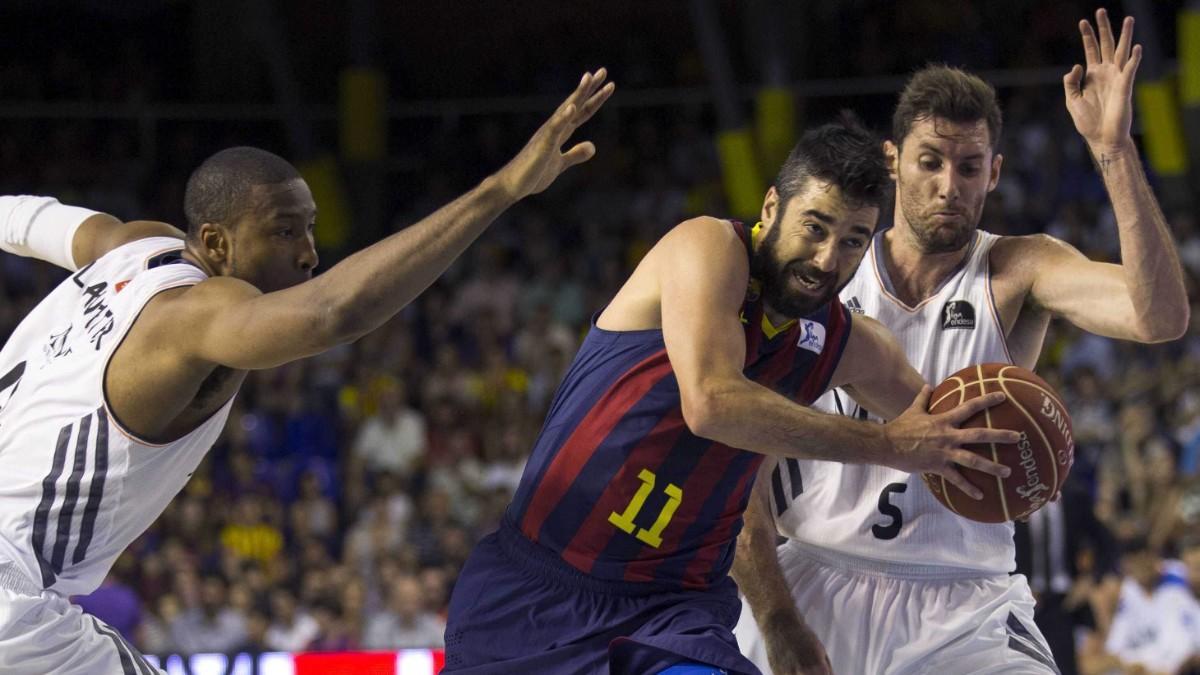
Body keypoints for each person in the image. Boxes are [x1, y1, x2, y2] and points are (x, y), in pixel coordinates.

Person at [0, 70, 615, 674]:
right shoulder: (191, 316)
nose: (309, 253)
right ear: (216, 243)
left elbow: (27, 220)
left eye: (310, 227)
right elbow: (333, 312)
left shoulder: (132, 248)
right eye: (284, 231)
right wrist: (501, 190)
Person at [443, 116, 1021, 674]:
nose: (826, 260)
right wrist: (889, 446)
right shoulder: (708, 248)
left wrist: (1021, 462)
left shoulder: (846, 344)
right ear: (772, 207)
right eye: (814, 228)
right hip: (539, 588)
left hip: (670, 611)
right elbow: (712, 403)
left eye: (852, 241)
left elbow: (949, 429)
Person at [734, 10, 1189, 675]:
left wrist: (1114, 151)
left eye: (969, 166)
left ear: (995, 172)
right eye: (931, 162)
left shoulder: (1019, 268)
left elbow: (1160, 317)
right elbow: (737, 456)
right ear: (893, 163)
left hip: (963, 603)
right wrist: (773, 611)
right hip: (812, 572)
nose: (950, 185)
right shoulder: (824, 267)